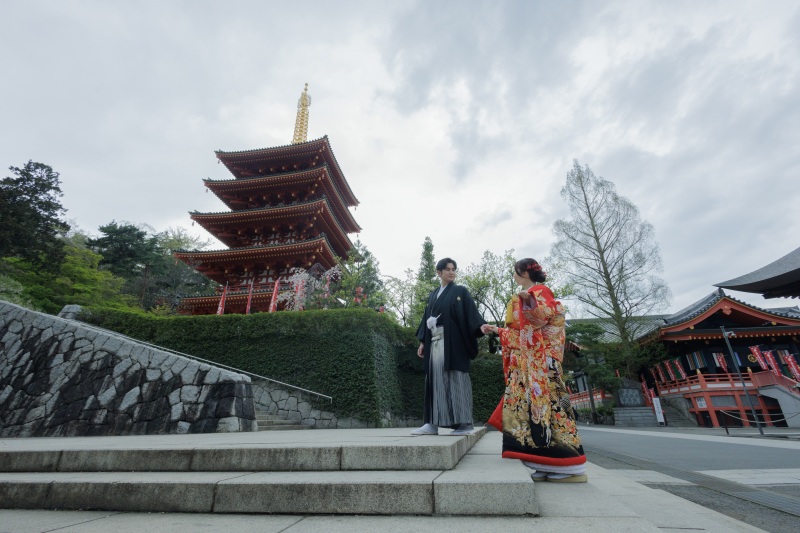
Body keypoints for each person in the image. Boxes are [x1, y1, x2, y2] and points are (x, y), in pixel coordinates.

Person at [481, 258, 587, 482]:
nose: (514, 276)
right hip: (531, 363)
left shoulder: (540, 293)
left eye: (515, 272)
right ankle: (544, 462)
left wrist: (529, 303)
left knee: (553, 411)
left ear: (523, 273)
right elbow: (523, 334)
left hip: (542, 365)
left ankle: (569, 466)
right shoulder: (532, 294)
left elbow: (538, 319)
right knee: (534, 413)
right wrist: (497, 331)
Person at [412, 257, 487, 436]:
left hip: (454, 344)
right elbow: (426, 321)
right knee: (434, 382)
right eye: (447, 269)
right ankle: (432, 423)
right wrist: (423, 341)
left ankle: (464, 423)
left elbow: (471, 313)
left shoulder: (461, 291)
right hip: (434, 343)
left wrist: (480, 326)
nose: (451, 272)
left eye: (454, 269)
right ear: (439, 273)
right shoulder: (433, 295)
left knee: (456, 380)